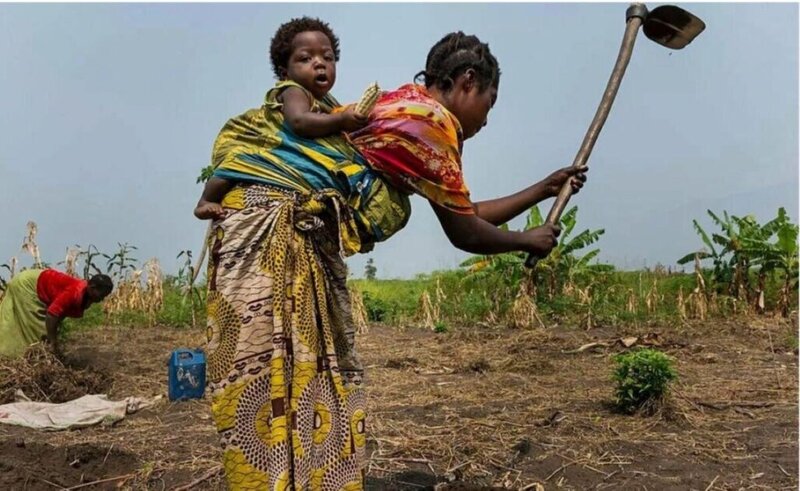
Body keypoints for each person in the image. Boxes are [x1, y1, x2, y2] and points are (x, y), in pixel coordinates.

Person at [198, 22, 586, 490]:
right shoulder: (431, 124)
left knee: (292, 384)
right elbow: (465, 231)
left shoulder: (405, 107)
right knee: (270, 387)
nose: (486, 119)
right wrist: (527, 239)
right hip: (273, 240)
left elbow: (462, 209)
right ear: (466, 82)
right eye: (489, 102)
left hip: (272, 236)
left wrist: (545, 188)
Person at [194, 16, 369, 222]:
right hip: (271, 148)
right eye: (305, 58)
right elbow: (299, 122)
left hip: (290, 159)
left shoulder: (327, 102)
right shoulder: (294, 90)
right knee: (238, 163)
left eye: (328, 57)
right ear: (285, 73)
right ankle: (205, 201)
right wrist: (340, 120)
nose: (319, 63)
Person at [0, 268, 113, 359]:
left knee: (45, 331)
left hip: (33, 281)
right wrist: (53, 342)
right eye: (101, 295)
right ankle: (19, 357)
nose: (102, 299)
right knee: (37, 329)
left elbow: (60, 314)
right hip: (27, 286)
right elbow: (52, 314)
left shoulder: (84, 295)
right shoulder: (74, 292)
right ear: (92, 287)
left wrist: (54, 337)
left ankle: (29, 356)